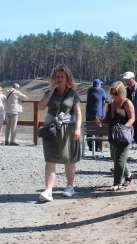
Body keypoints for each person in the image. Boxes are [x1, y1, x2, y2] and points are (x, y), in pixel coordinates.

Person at [37, 64, 81, 202]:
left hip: (68, 128)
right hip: (52, 129)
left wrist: (78, 128)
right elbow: (40, 107)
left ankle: (70, 186)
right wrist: (51, 91)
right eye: (57, 76)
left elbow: (78, 112)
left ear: (67, 78)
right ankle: (49, 190)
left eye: (62, 76)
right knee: (50, 159)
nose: (59, 79)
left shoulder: (73, 93)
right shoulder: (50, 92)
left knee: (68, 159)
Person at [97, 81, 135, 191]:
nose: (114, 96)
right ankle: (128, 175)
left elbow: (132, 118)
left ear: (122, 92)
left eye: (116, 93)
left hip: (124, 134)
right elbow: (106, 119)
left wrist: (125, 127)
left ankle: (116, 183)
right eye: (112, 93)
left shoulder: (127, 103)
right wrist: (100, 121)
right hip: (113, 134)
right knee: (114, 157)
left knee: (119, 158)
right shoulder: (111, 104)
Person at [85, 78, 108, 152]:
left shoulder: (89, 90)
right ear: (98, 85)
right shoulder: (101, 90)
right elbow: (106, 98)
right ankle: (97, 147)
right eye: (100, 84)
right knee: (98, 129)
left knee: (89, 130)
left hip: (88, 113)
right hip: (97, 114)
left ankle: (90, 147)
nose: (101, 85)